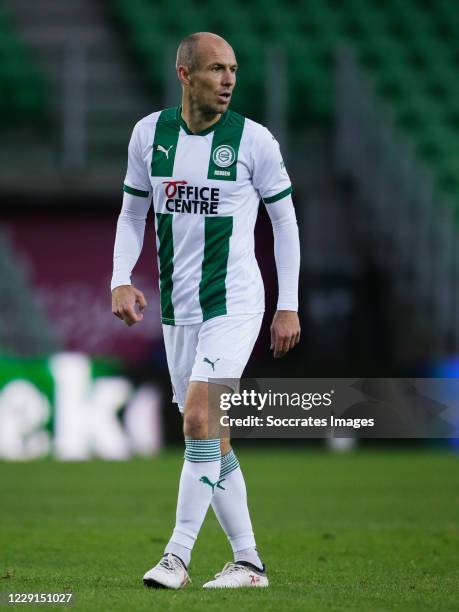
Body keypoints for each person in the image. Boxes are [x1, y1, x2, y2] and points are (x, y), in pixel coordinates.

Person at [111, 32, 300, 589]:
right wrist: (120, 278)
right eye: (217, 69)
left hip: (236, 303)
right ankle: (249, 563)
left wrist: (287, 303)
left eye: (234, 70)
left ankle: (176, 556)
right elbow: (131, 214)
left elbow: (284, 222)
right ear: (185, 74)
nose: (229, 80)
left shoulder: (254, 141)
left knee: (198, 418)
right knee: (211, 438)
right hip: (179, 308)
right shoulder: (150, 135)